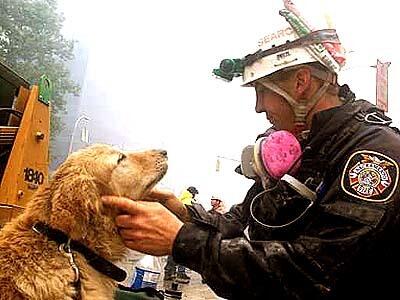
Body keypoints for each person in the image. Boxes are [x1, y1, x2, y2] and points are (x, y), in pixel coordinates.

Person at [103, 4, 400, 299]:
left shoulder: (373, 156)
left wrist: (182, 240)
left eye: (262, 91)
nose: (259, 107)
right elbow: (244, 223)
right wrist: (185, 215)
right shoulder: (302, 149)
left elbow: (312, 273)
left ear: (300, 82)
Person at [163, 186, 198, 283]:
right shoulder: (188, 201)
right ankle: (180, 273)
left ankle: (169, 272)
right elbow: (188, 217)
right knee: (183, 252)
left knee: (172, 251)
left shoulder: (180, 199)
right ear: (193, 193)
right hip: (183, 230)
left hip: (173, 228)